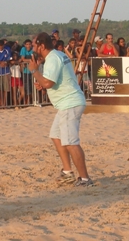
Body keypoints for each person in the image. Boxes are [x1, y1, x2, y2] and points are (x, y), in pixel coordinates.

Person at [28, 32, 92, 188]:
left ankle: (85, 179)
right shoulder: (58, 55)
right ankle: (68, 171)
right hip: (67, 103)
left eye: (35, 45)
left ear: (42, 46)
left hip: (70, 103)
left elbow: (49, 83)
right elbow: (53, 82)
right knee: (56, 135)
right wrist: (42, 84)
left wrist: (35, 71)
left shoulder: (52, 59)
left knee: (70, 142)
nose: (33, 48)